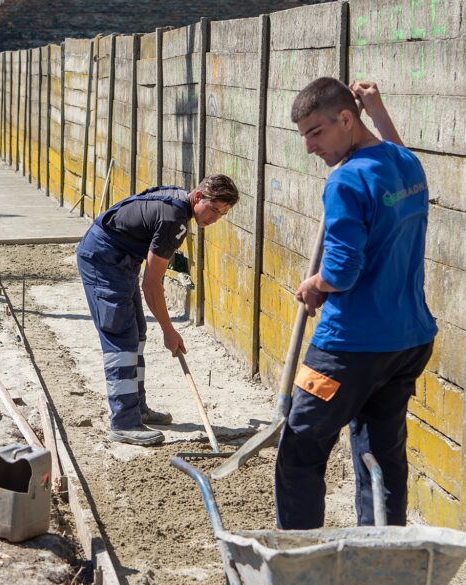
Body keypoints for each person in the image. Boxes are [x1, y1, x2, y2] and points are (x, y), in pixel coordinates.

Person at [275, 78, 437, 529]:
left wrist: (315, 285)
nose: (309, 147)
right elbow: (395, 152)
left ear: (346, 119)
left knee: (300, 448)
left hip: (347, 349)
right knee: (380, 456)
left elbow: (342, 271)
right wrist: (379, 112)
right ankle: (382, 559)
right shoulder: (405, 164)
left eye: (316, 132)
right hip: (408, 343)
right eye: (303, 134)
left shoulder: (345, 180)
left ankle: (299, 556)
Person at [76, 175, 239, 446]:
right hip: (103, 260)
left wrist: (164, 329)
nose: (215, 219)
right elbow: (151, 285)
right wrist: (169, 330)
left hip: (120, 259)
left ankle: (137, 408)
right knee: (121, 338)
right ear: (198, 198)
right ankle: (124, 422)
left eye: (222, 214)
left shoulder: (178, 204)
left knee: (137, 333)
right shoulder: (174, 220)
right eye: (214, 210)